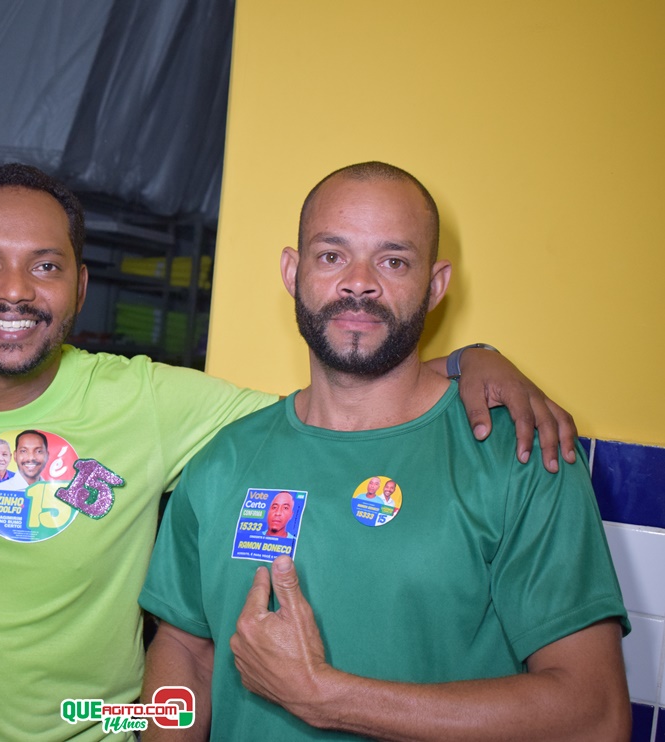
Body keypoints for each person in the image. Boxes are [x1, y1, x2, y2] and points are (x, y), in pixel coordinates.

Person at [0, 164, 579, 741]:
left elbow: (342, 394)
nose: (14, 291)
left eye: (45, 266)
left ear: (81, 288)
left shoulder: (149, 401)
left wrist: (466, 360)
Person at [138, 162, 629, 741]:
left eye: (393, 261)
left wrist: (327, 698)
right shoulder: (223, 461)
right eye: (332, 256)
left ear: (435, 285)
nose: (359, 283)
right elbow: (187, 652)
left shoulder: (518, 452)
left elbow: (595, 716)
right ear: (293, 272)